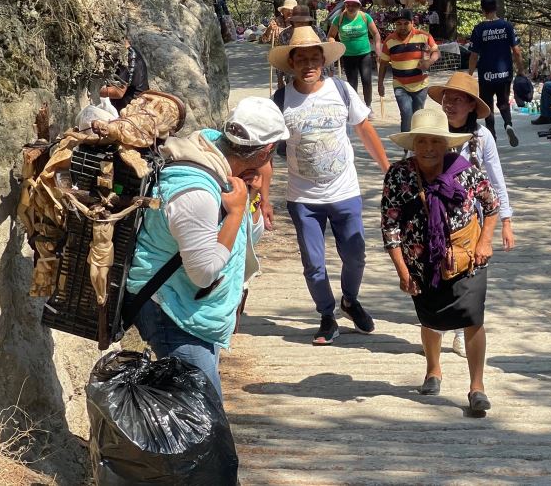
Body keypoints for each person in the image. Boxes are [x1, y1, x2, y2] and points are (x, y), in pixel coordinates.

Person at [125, 96, 287, 400]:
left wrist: (248, 196)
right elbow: (203, 272)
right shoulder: (196, 192)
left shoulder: (221, 160)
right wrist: (236, 212)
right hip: (172, 312)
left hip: (196, 311)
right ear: (267, 150)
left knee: (194, 416)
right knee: (204, 420)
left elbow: (244, 240)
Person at [268, 26, 390, 344]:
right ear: (291, 63)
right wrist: (263, 198)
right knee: (313, 263)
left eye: (314, 58)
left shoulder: (341, 90)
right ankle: (326, 315)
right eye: (301, 59)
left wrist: (388, 170)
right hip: (302, 196)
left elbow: (364, 130)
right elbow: (265, 151)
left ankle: (350, 300)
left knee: (356, 255)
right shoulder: (280, 100)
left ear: (324, 60)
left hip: (345, 190)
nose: (308, 64)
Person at [381, 108, 499, 415]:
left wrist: (485, 241)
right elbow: (390, 224)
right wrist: (402, 269)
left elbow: (492, 205)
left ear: (446, 144)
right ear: (413, 144)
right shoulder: (399, 175)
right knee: (429, 319)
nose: (429, 148)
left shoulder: (466, 171)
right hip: (421, 263)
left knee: (473, 319)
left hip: (467, 258)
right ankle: (433, 369)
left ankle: (477, 387)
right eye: (422, 142)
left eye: (435, 141)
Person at [429, 72, 516, 357]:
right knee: (437, 271)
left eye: (457, 100)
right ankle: (437, 324)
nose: (450, 105)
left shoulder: (482, 137)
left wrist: (505, 220)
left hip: (471, 220)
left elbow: (495, 178)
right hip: (435, 217)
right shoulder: (431, 131)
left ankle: (458, 331)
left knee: (466, 274)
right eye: (446, 99)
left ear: (470, 106)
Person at [467, 0, 524, 147]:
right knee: (504, 102)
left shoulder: (479, 29)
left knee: (488, 106)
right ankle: (508, 124)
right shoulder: (507, 26)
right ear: (496, 7)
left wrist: (469, 75)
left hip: (486, 74)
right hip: (505, 73)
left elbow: (473, 55)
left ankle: (492, 136)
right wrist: (521, 70)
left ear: (482, 10)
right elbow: (517, 51)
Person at [377, 9, 441, 131]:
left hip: (421, 85)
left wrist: (429, 61)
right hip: (400, 84)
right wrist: (380, 84)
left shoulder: (424, 36)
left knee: (418, 115)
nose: (402, 27)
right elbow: (384, 64)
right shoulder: (389, 41)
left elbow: (436, 51)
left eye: (406, 23)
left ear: (412, 23)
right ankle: (407, 148)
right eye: (399, 24)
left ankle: (417, 146)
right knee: (406, 114)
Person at [327, 0, 383, 108]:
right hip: (348, 56)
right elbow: (331, 36)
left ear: (359, 6)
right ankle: (356, 107)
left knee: (367, 81)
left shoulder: (365, 17)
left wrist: (378, 49)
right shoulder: (339, 19)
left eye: (354, 5)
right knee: (352, 84)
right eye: (348, 5)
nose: (351, 7)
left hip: (364, 55)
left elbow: (376, 33)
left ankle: (368, 106)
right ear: (345, 6)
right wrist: (334, 45)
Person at [99, 39, 149, 112]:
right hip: (120, 107)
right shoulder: (127, 54)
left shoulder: (129, 58)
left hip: (130, 110)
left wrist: (96, 92)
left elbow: (118, 92)